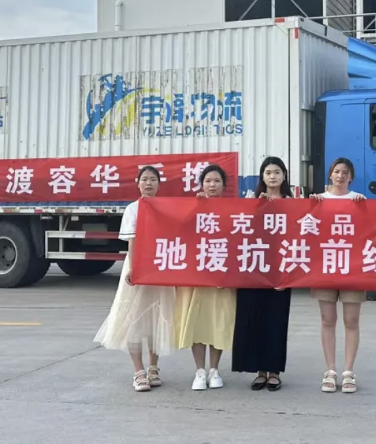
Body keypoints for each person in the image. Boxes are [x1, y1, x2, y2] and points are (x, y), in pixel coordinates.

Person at [94, 165, 176, 392]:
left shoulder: (166, 208)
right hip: (138, 266)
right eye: (145, 179)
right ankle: (139, 371)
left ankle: (153, 368)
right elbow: (132, 240)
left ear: (159, 184)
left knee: (157, 318)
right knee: (134, 319)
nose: (148, 183)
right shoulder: (133, 209)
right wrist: (134, 267)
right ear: (138, 183)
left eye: (153, 179)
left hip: (160, 267)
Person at [231, 156, 293, 391]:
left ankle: (274, 371)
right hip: (254, 268)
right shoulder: (251, 200)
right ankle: (260, 371)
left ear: (284, 176)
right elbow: (238, 231)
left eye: (277, 172)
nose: (272, 176)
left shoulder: (293, 203)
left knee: (276, 320)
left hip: (280, 270)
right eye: (268, 173)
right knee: (254, 318)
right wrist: (255, 206)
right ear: (262, 177)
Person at [174, 164, 238, 390]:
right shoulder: (193, 207)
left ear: (224, 186)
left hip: (222, 275)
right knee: (197, 322)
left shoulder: (234, 210)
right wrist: (196, 207)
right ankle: (199, 371)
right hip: (197, 276)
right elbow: (179, 233)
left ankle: (214, 369)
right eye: (208, 181)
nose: (212, 185)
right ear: (201, 184)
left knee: (218, 321)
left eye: (217, 181)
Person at [309, 157, 366, 394]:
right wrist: (311, 206)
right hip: (325, 266)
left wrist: (364, 208)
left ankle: (348, 371)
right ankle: (330, 370)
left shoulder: (359, 200)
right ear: (330, 174)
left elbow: (372, 228)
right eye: (337, 171)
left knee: (351, 321)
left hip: (352, 268)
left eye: (345, 172)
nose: (340, 175)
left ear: (351, 177)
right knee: (327, 320)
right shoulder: (318, 200)